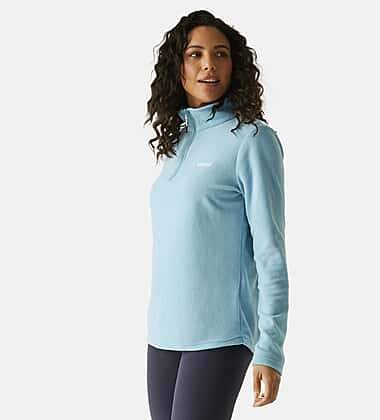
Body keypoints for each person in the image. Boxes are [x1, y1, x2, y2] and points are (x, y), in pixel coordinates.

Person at [143, 10, 289, 420]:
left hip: (221, 334)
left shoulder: (251, 139)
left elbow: (270, 252)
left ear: (234, 64)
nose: (209, 64)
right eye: (196, 54)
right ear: (178, 67)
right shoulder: (175, 143)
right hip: (163, 334)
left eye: (220, 54)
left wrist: (270, 348)